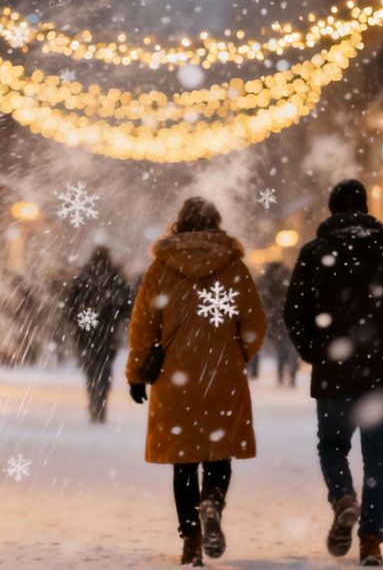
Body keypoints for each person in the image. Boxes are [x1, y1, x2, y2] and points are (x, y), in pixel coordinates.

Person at [284, 180, 383, 568]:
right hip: (380, 373)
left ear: (332, 211)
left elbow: (294, 313)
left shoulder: (315, 253)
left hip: (334, 372)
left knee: (333, 446)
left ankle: (343, 497)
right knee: (378, 456)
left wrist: (316, 353)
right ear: (365, 208)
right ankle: (370, 541)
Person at [126, 197, 267, 566]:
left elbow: (143, 326)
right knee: (218, 454)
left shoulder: (160, 268)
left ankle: (191, 540)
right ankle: (213, 506)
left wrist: (137, 373)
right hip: (223, 374)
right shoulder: (233, 267)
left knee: (183, 461)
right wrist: (238, 355)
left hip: (176, 377)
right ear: (216, 225)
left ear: (180, 225)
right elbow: (254, 324)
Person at [64, 246, 134, 423]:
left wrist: (79, 321)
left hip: (87, 328)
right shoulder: (115, 275)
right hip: (107, 330)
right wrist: (117, 318)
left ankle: (94, 397)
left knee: (91, 367)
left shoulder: (84, 276)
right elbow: (127, 304)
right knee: (104, 368)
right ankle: (101, 400)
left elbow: (71, 305)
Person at [256, 261, 300, 387]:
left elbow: (264, 300)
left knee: (282, 348)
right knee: (291, 348)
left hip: (276, 319)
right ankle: (292, 374)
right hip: (290, 318)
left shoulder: (267, 280)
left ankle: (282, 375)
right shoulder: (290, 276)